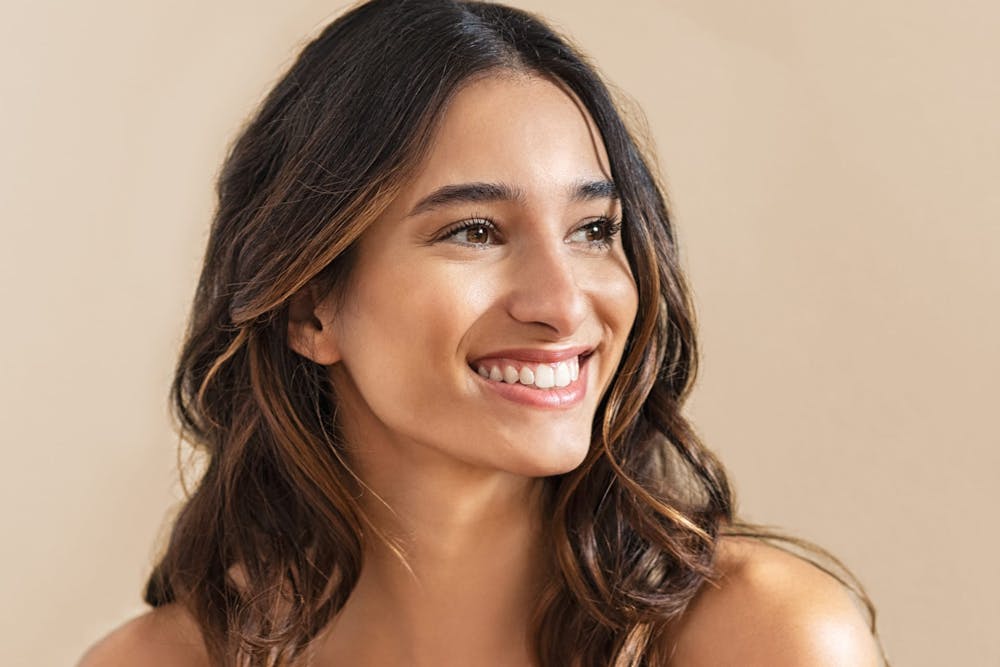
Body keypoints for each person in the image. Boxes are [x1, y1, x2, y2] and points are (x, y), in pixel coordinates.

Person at [80, 1, 886, 665]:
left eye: (595, 229)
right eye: (474, 231)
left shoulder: (768, 641)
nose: (564, 305)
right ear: (311, 306)